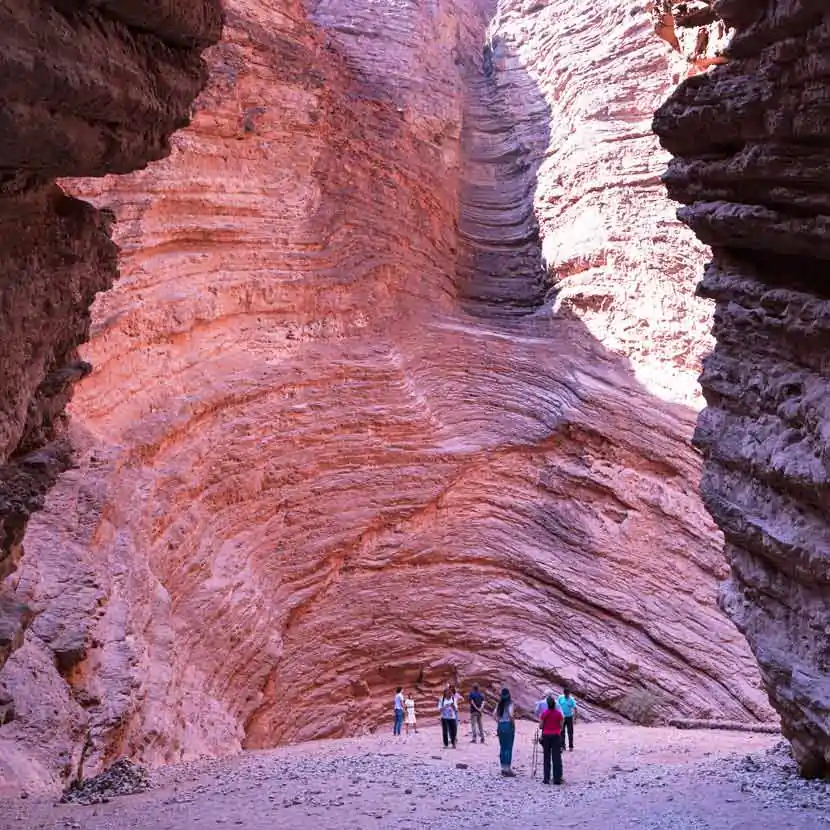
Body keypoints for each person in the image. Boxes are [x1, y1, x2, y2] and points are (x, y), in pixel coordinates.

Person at [539, 695, 564, 784]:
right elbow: (561, 726)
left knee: (546, 757)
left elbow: (541, 726)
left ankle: (546, 778)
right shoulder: (559, 714)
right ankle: (557, 779)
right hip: (556, 736)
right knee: (556, 757)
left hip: (546, 736)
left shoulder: (544, 713)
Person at [494, 687, 516, 776]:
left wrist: (499, 721)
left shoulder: (499, 704)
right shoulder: (510, 704)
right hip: (508, 725)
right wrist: (513, 725)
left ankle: (503, 768)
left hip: (500, 725)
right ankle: (507, 769)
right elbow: (511, 715)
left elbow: (493, 715)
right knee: (508, 747)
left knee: (502, 747)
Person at [557, 686, 577, 750]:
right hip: (562, 717)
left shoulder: (572, 699)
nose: (566, 695)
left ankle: (571, 746)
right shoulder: (560, 698)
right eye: (565, 694)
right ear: (564, 693)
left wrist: (575, 718)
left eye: (567, 694)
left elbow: (575, 708)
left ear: (569, 693)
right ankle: (563, 746)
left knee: (570, 732)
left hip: (569, 717)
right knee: (562, 732)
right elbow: (557, 706)